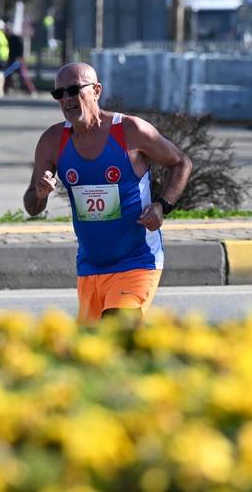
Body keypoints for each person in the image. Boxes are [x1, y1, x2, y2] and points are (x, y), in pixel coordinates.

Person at [24, 62, 192, 324]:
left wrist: (162, 206)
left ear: (97, 90)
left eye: (74, 89)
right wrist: (40, 192)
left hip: (137, 261)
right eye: (59, 94)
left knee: (115, 334)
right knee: (94, 357)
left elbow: (181, 162)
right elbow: (32, 206)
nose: (67, 99)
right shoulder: (52, 140)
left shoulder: (129, 131)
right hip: (90, 267)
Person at [3, 21, 37, 95]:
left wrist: (20, 57)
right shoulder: (5, 38)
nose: (7, 31)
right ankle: (5, 90)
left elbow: (21, 48)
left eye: (8, 29)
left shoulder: (16, 37)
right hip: (10, 60)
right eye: (6, 30)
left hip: (18, 60)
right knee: (7, 75)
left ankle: (32, 91)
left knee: (23, 75)